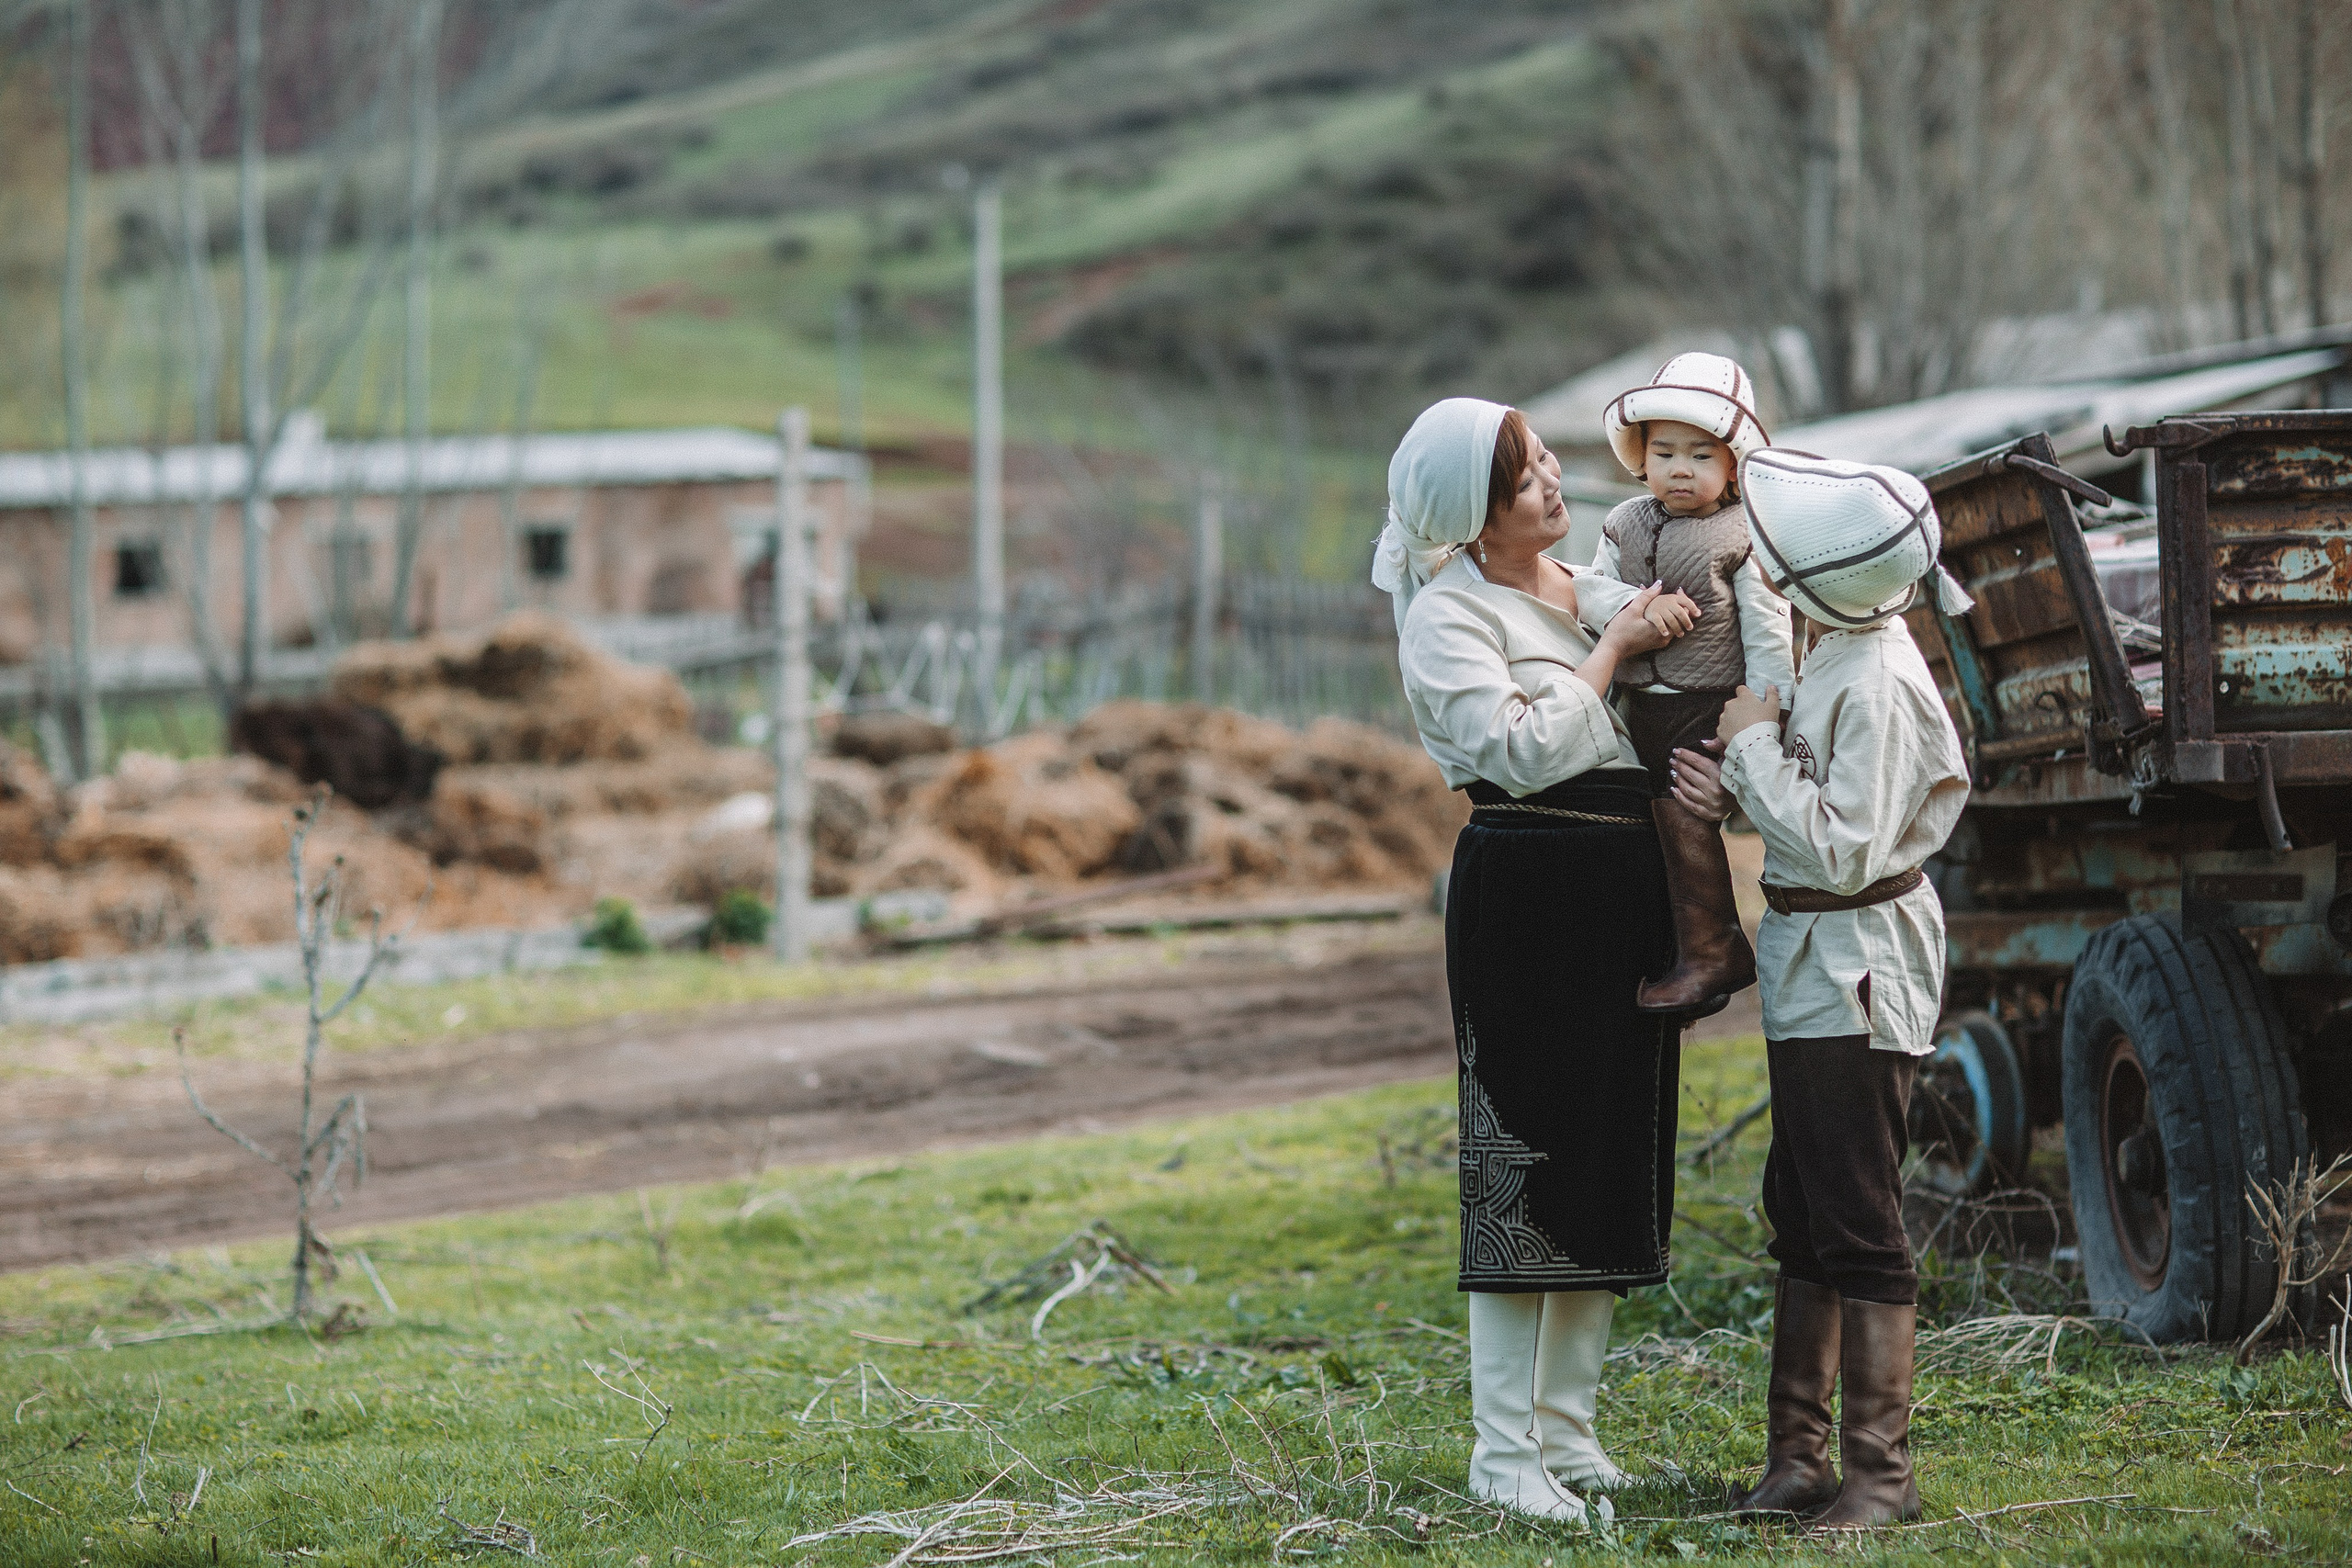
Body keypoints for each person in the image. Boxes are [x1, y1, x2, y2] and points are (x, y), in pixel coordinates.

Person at [1375, 397, 1710, 1524]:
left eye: (1546, 463)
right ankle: (1500, 1452)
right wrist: (1614, 651)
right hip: (1529, 885)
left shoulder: (1577, 587)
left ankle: (1565, 1432)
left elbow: (1678, 614)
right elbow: (1518, 752)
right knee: (1522, 1156)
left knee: (1609, 1146)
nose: (1555, 485)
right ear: (1474, 520)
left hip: (1619, 882)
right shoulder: (1447, 618)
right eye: (1525, 480)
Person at [1670, 449, 1972, 1529]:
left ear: (1826, 577)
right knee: (1799, 1209)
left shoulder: (1879, 679)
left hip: (1857, 971)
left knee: (1857, 1214)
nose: (1760, 552)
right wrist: (1735, 789)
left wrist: (1749, 755)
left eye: (1777, 552)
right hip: (1815, 968)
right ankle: (1795, 1462)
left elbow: (1844, 848)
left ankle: (1879, 1478)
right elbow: (1809, 804)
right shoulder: (1840, 647)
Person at [1593, 353, 1794, 1019]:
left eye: (1701, 455)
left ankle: (1715, 949)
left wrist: (1768, 713)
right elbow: (1589, 593)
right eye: (1666, 452)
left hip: (1704, 706)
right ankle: (1662, 945)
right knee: (1638, 824)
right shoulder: (1623, 522)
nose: (1681, 469)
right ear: (1641, 458)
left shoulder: (1741, 535)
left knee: (1686, 822)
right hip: (1634, 706)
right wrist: (1630, 610)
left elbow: (1768, 631)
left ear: (1733, 464)